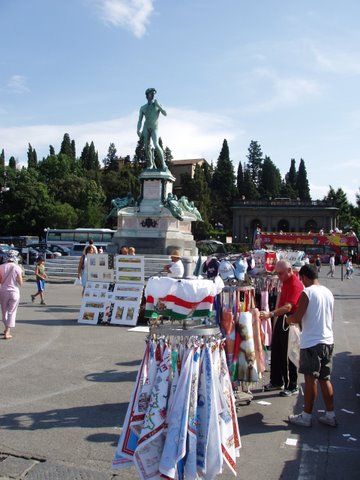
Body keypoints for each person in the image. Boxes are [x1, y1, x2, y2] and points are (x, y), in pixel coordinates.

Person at [286, 264, 336, 427]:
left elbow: (298, 317)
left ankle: (306, 417)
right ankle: (330, 414)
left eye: (302, 279)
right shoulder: (328, 292)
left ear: (305, 277)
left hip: (312, 342)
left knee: (310, 380)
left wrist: (289, 319)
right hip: (328, 340)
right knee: (324, 378)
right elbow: (331, 317)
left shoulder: (307, 292)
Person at [259, 260, 303, 396]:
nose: (278, 276)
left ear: (289, 270)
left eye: (281, 273)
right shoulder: (286, 282)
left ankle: (292, 385)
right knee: (277, 351)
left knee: (288, 354)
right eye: (277, 273)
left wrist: (271, 314)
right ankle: (277, 380)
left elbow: (289, 306)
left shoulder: (295, 284)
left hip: (289, 320)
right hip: (282, 318)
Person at [137, 87, 167, 170]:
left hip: (154, 127)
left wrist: (158, 106)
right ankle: (150, 164)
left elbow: (165, 113)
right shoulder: (143, 107)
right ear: (147, 95)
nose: (153, 95)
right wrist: (138, 130)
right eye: (151, 93)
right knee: (147, 146)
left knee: (156, 144)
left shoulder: (157, 104)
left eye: (154, 93)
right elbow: (140, 120)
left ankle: (163, 164)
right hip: (146, 127)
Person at [0, 250, 23, 340]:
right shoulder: (17, 268)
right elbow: (20, 283)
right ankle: (7, 331)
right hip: (14, 292)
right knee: (12, 311)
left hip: (3, 291)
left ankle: (6, 329)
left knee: (4, 311)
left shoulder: (1, 267)